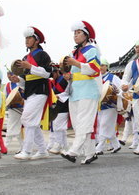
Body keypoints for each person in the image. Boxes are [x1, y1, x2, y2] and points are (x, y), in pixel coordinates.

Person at [60, 21, 101, 165]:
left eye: (78, 33)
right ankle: (90, 153)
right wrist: (68, 76)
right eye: (74, 33)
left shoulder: (92, 50)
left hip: (89, 90)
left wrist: (75, 63)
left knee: (84, 122)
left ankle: (73, 151)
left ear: (86, 35)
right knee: (79, 125)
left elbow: (94, 69)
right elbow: (75, 73)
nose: (75, 36)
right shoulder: (74, 52)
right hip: (75, 90)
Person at [11, 26, 52, 160]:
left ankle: (27, 151)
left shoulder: (43, 55)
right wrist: (17, 79)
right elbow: (25, 80)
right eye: (26, 38)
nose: (27, 40)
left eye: (29, 38)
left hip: (41, 90)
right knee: (32, 121)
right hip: (29, 91)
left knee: (27, 119)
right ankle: (42, 150)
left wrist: (30, 67)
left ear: (37, 40)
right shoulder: (25, 57)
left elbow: (47, 73)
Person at [95, 58, 122, 155]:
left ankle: (99, 147)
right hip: (100, 106)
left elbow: (121, 89)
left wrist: (117, 91)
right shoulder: (96, 78)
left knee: (104, 125)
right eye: (99, 65)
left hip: (111, 106)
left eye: (103, 65)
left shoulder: (113, 77)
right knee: (107, 127)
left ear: (107, 67)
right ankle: (116, 145)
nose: (101, 67)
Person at [48, 70, 70, 154]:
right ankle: (65, 146)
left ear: (57, 72)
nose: (52, 75)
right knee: (61, 128)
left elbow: (67, 92)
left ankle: (58, 144)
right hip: (58, 106)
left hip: (63, 106)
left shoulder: (63, 80)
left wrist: (57, 96)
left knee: (58, 126)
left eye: (53, 73)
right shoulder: (55, 81)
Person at [4, 72, 24, 152]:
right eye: (8, 76)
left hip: (21, 108)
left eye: (11, 75)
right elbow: (5, 97)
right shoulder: (7, 85)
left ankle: (5, 146)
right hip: (12, 109)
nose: (10, 77)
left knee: (14, 127)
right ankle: (22, 147)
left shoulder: (20, 83)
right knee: (13, 127)